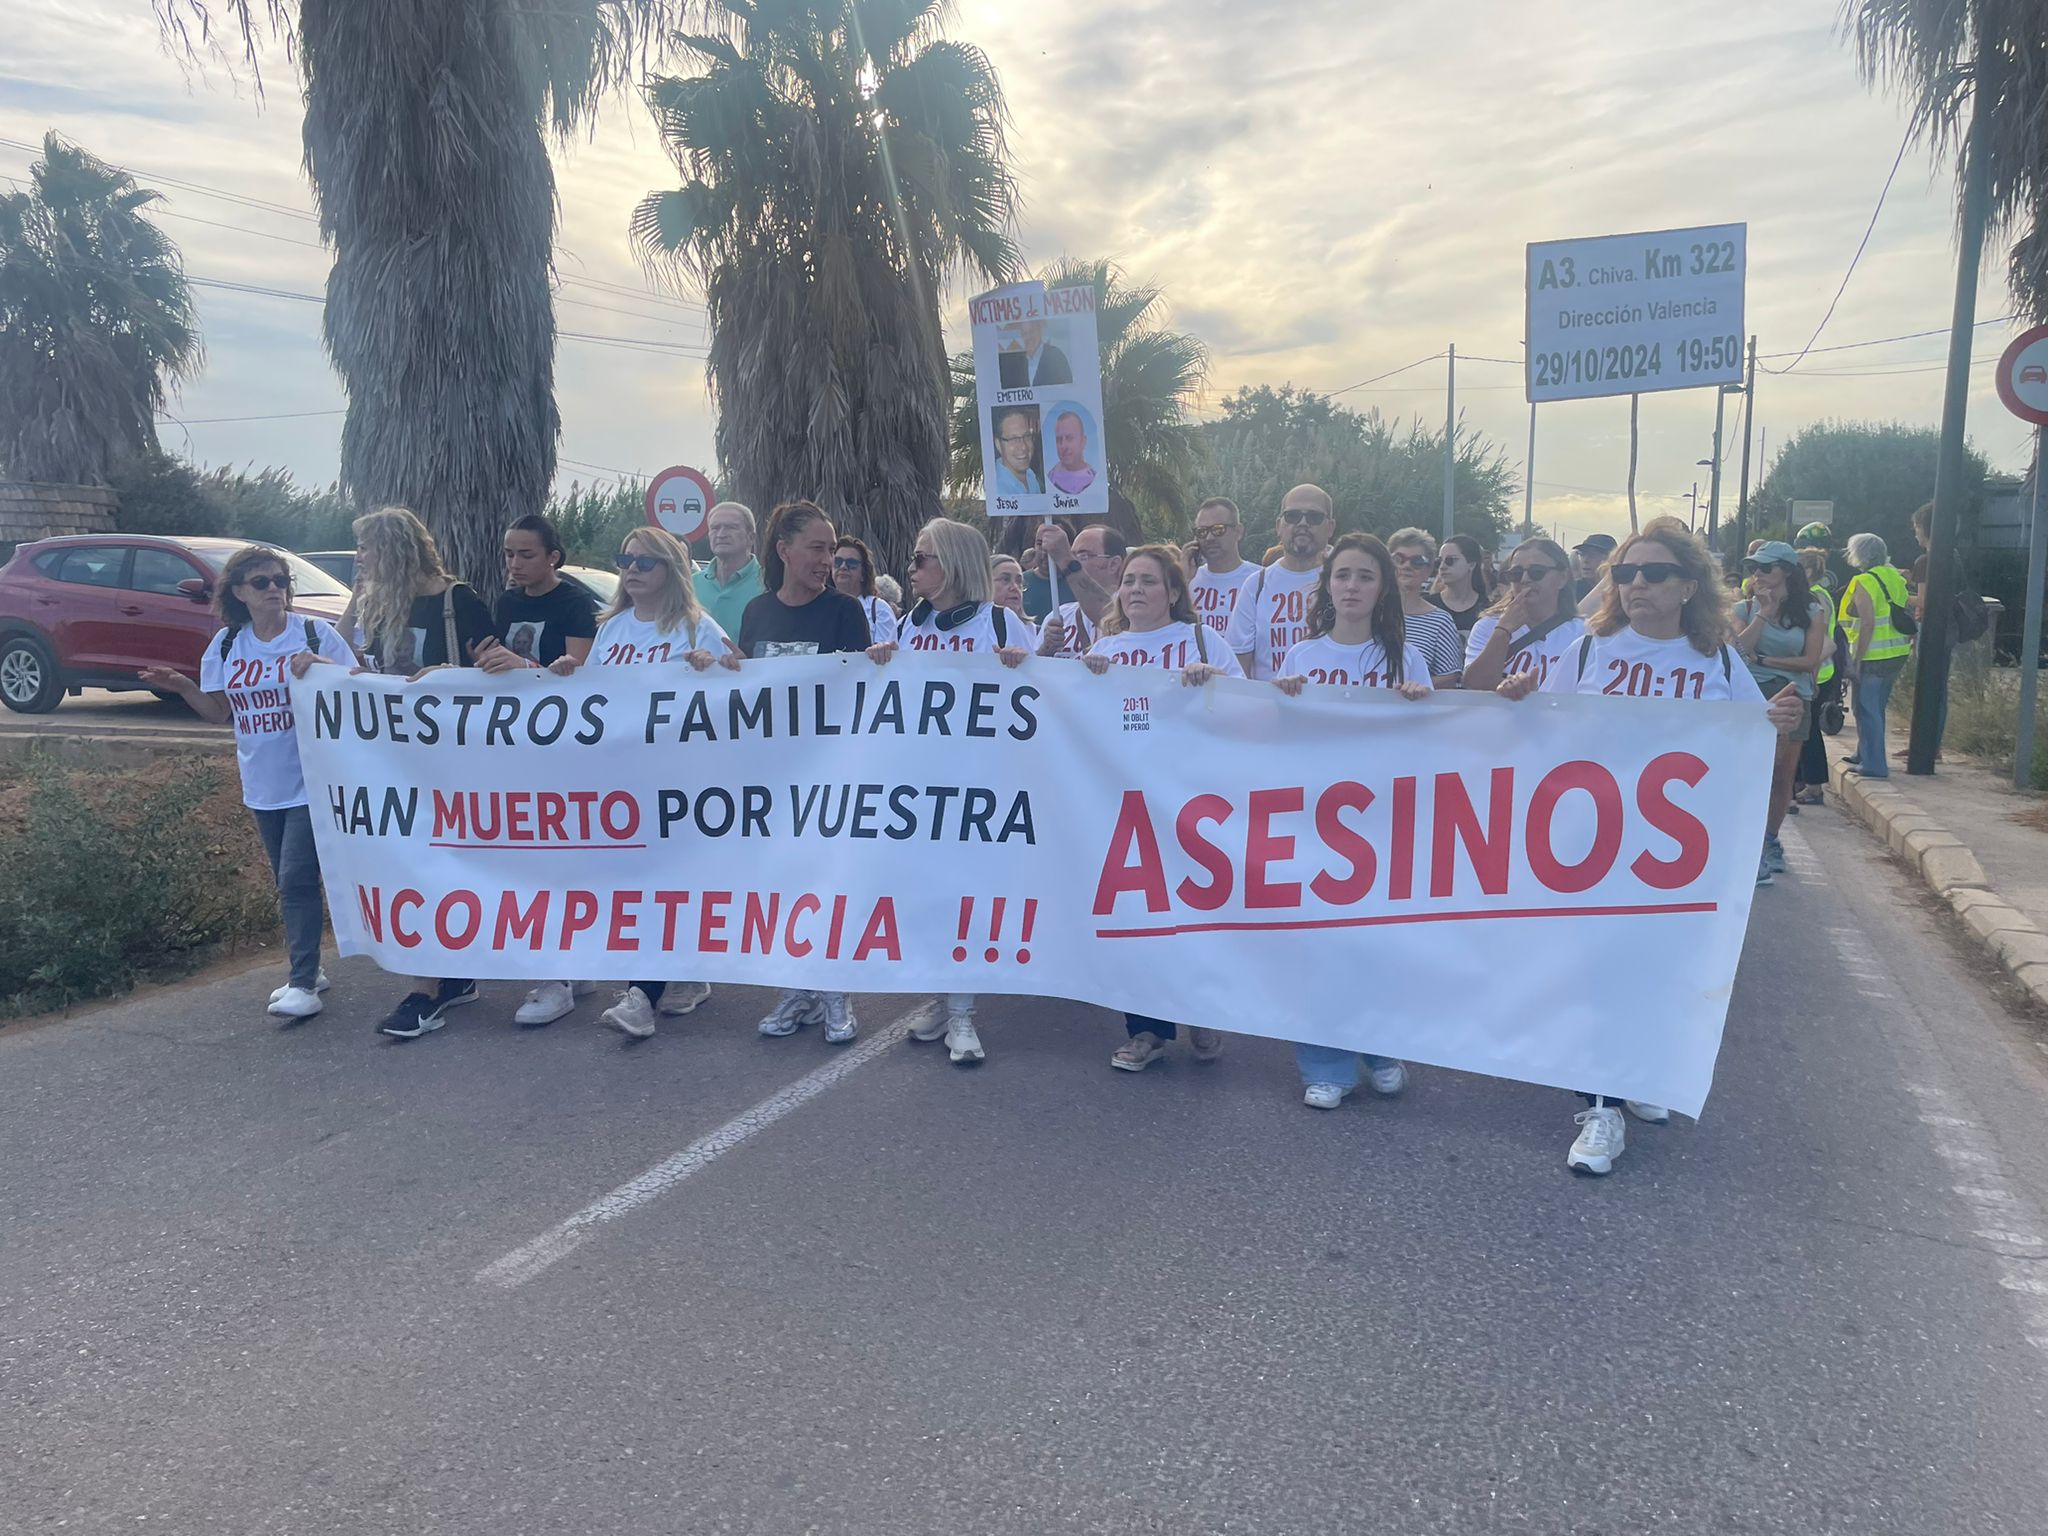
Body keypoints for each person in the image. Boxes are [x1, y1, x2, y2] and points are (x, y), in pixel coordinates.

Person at [1499, 517, 1803, 1175]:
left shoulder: (1716, 660)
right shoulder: (1589, 651)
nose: (1637, 583)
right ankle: (1600, 1109)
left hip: (1675, 862)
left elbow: (1752, 736)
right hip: (1593, 849)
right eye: (1626, 572)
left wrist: (1780, 720)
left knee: (1658, 974)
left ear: (1689, 585)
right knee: (1599, 974)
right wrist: (1520, 701)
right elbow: (1539, 736)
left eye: (1655, 572)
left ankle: (1637, 1073)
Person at [140, 546, 357, 1020]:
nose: (274, 589)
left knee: (295, 878)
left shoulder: (314, 634)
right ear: (239, 592)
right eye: (262, 582)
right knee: (289, 881)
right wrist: (182, 686)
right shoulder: (226, 645)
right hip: (261, 781)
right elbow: (219, 713)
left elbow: (358, 685)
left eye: (280, 580)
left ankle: (303, 981)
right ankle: (309, 966)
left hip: (313, 778)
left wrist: (322, 666)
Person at [554, 525, 737, 1038]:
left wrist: (713, 668)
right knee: (637, 883)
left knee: (661, 883)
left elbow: (744, 680)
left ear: (670, 569)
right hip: (622, 780)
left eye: (644, 561)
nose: (631, 569)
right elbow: (594, 699)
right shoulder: (612, 629)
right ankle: (684, 974)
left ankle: (640, 997)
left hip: (677, 781)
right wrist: (569, 673)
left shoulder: (696, 626)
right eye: (625, 560)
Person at [1270, 533, 1433, 1106]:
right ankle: (1326, 1066)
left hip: (1382, 826)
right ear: (1327, 585)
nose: (1352, 586)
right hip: (1314, 824)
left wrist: (1417, 708)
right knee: (1317, 948)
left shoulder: (1405, 659)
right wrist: (1282, 701)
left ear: (1382, 587)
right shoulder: (1301, 657)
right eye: (1342, 575)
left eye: (1365, 576)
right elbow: (1277, 744)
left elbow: (1429, 747)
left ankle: (1381, 1049)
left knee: (1375, 947)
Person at [868, 516, 1032, 1064]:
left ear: (954, 564)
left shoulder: (1001, 625)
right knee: (929, 898)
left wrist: (1022, 669)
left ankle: (963, 1013)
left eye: (922, 558)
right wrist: (880, 665)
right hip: (919, 789)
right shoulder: (907, 627)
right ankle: (943, 999)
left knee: (968, 897)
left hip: (980, 789)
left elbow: (1038, 702)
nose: (911, 567)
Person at [1077, 545, 1241, 1070]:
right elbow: (1079, 721)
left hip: (1192, 800)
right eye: (1128, 580)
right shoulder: (1105, 647)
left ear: (1173, 593)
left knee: (1194, 908)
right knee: (1139, 917)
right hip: (1126, 802)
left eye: (1148, 581)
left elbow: (1245, 707)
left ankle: (1202, 1010)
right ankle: (1146, 1029)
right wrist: (1086, 679)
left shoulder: (1202, 641)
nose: (1136, 590)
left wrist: (1212, 683)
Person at [341, 506, 497, 1040]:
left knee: (435, 867)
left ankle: (429, 991)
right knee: (414, 866)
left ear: (394, 548)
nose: (361, 558)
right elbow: (348, 657)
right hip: (396, 761)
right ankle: (443, 981)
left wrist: (445, 675)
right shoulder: (382, 603)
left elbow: (495, 675)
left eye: (367, 547)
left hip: (452, 763)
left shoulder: (457, 602)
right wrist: (355, 601)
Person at [738, 502, 876, 1043]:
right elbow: (743, 690)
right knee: (783, 885)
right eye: (817, 548)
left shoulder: (845, 611)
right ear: (784, 551)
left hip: (828, 774)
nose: (827, 560)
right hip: (770, 777)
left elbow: (859, 692)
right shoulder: (755, 612)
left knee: (828, 881)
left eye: (832, 549)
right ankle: (797, 988)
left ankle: (835, 990)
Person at [1734, 541, 1829, 884]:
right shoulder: (1745, 607)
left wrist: (1763, 659)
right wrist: (1763, 613)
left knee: (1781, 775)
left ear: (1786, 571)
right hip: (1752, 697)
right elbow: (1737, 650)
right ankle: (1744, 840)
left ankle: (1769, 839)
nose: (1757, 574)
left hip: (1792, 697)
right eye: (1753, 568)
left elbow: (1809, 659)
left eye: (1765, 567)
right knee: (1748, 773)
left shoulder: (1811, 611)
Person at [1224, 484, 1335, 679]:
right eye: (1292, 516)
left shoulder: (1343, 583)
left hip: (1328, 697)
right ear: (1278, 526)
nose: (1303, 523)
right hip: (1269, 698)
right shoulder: (1256, 585)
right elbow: (1239, 664)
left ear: (1330, 527)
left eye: (1314, 517)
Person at [475, 513, 598, 676]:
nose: (515, 564)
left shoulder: (577, 603)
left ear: (553, 557)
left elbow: (578, 674)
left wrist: (526, 666)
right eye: (509, 554)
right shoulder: (507, 601)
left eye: (527, 556)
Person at [1459, 537, 1585, 692]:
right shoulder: (1487, 626)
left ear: (1562, 578)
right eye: (1516, 574)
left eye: (1537, 572)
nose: (1525, 579)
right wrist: (1503, 631)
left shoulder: (1582, 633)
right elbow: (1473, 684)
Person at [1839, 532, 1914, 780]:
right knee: (1875, 707)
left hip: (1873, 655)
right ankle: (1863, 753)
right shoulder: (1894, 577)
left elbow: (1867, 623)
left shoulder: (1863, 581)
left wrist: (1857, 660)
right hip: (1897, 651)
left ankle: (1874, 764)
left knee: (1866, 708)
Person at [1792, 547, 1843, 806]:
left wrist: (1810, 674)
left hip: (1817, 671)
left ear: (1809, 570)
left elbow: (1823, 642)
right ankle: (1804, 782)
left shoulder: (1815, 597)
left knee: (1808, 733)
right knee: (1805, 730)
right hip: (1817, 669)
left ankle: (1813, 786)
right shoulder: (1819, 594)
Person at [1385, 527, 1466, 685]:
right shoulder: (1369, 612)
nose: (1407, 565)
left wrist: (1415, 685)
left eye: (1417, 561)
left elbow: (1449, 677)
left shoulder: (1440, 621)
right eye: (1399, 559)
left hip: (1415, 700)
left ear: (1429, 570)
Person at [1037, 523, 1125, 657]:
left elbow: (1110, 614)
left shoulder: (1134, 614)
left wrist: (1065, 558)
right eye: (1073, 555)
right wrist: (1046, 649)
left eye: (1084, 556)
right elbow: (1033, 667)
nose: (1075, 562)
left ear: (1114, 564)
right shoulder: (1059, 615)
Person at [1184, 496, 1259, 641]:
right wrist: (1182, 578)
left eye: (1218, 530)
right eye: (1202, 531)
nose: (1209, 538)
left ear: (1238, 531)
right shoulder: (1188, 579)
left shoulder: (1260, 579)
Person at [692, 500, 763, 640]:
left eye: (731, 527)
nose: (721, 534)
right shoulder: (690, 584)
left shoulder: (769, 583)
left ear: (751, 537)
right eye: (715, 528)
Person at [830, 534, 898, 646]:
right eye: (837, 561)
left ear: (863, 574)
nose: (843, 567)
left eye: (851, 563)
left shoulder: (879, 610)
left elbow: (888, 653)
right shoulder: (822, 607)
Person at [1429, 532, 1491, 635]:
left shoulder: (1488, 608)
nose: (1442, 566)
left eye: (1450, 560)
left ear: (1471, 565)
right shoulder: (1427, 607)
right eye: (1439, 561)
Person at [997, 315, 1071, 388]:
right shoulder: (1018, 362)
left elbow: (1067, 386)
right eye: (1025, 333)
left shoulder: (1055, 355)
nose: (1028, 337)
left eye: (1031, 331)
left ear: (1039, 330)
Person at [989, 552, 1041, 647]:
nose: (1015, 587)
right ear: (986, 584)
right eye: (1005, 579)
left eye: (1019, 581)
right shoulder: (974, 630)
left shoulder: (1037, 634)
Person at [990, 406, 1043, 496]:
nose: (1023, 446)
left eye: (1027, 436)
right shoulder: (998, 490)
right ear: (998, 444)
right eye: (1013, 439)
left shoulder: (1030, 475)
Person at [1047, 410, 1097, 495]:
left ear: (1083, 441)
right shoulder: (1049, 480)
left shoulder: (1096, 480)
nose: (1063, 446)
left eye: (1069, 438)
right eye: (1059, 440)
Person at [1571, 533, 1617, 603]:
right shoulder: (1572, 590)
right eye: (1582, 554)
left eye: (1593, 555)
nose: (1585, 560)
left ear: (1610, 559)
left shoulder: (1620, 589)